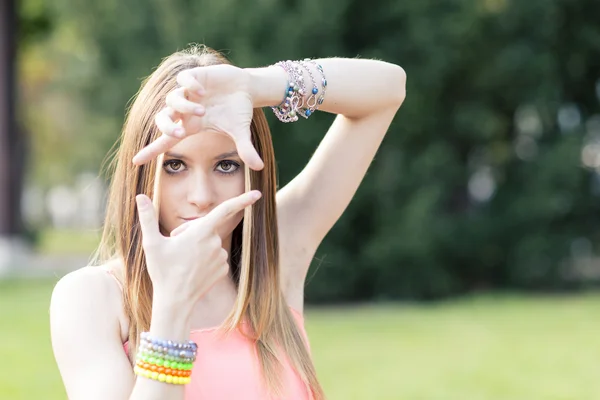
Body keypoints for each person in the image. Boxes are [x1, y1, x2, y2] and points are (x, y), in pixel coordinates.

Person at [50, 45, 406, 400]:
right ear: (141, 170)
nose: (201, 197)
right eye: (175, 165)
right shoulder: (94, 298)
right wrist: (173, 306)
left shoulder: (275, 253)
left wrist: (259, 86)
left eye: (226, 165)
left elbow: (388, 88)